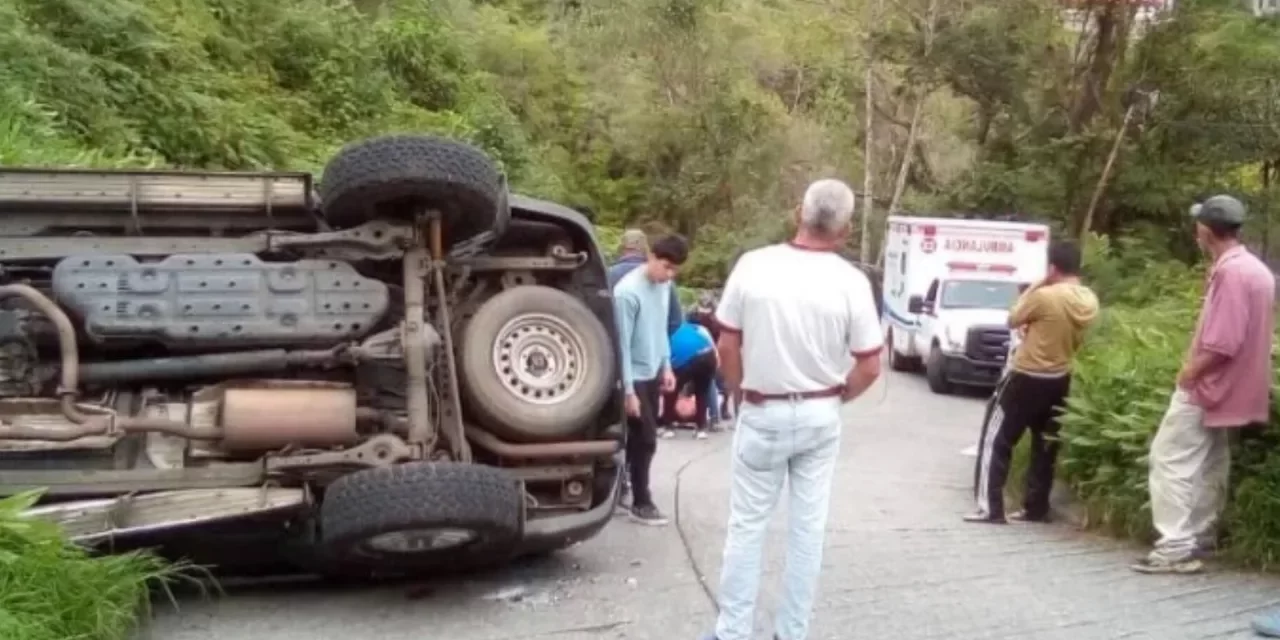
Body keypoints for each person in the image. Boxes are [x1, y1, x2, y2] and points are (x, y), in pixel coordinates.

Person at [702, 179, 883, 640]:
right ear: (844, 230)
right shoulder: (852, 282)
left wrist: (738, 392)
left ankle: (733, 633)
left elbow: (727, 341)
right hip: (821, 415)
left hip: (763, 410)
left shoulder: (753, 266)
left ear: (797, 214)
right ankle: (792, 631)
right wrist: (836, 395)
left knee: (746, 526)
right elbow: (870, 365)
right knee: (808, 530)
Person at [1131, 195, 1275, 575]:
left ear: (1206, 231)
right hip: (1237, 389)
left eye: (1198, 225)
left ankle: (1175, 547)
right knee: (1212, 460)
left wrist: (1191, 372)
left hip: (1209, 387)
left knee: (1170, 457)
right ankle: (1201, 534)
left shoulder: (1230, 272)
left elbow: (1223, 342)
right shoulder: (1257, 270)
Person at [967, 241, 1098, 525]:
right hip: (1060, 377)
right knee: (1046, 444)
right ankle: (1036, 507)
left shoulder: (1046, 296)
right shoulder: (1089, 300)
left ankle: (990, 507)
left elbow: (1013, 318)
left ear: (1052, 268)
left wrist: (1037, 284)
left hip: (1026, 376)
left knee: (997, 439)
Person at [613, 233, 688, 526]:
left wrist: (666, 366)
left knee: (638, 438)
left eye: (674, 270)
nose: (668, 274)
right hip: (632, 375)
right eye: (666, 266)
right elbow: (621, 345)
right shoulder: (626, 293)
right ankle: (641, 501)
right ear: (652, 257)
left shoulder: (664, 286)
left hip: (653, 369)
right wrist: (628, 391)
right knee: (645, 439)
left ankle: (624, 488)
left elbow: (659, 329)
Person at [609, 229, 683, 335]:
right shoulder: (665, 282)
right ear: (645, 249)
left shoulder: (609, 274)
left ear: (622, 248)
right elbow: (675, 321)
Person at [659, 320, 718, 440]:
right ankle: (701, 429)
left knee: (670, 390)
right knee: (702, 392)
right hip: (709, 355)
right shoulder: (692, 327)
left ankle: (668, 427)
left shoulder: (665, 334)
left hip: (687, 357)